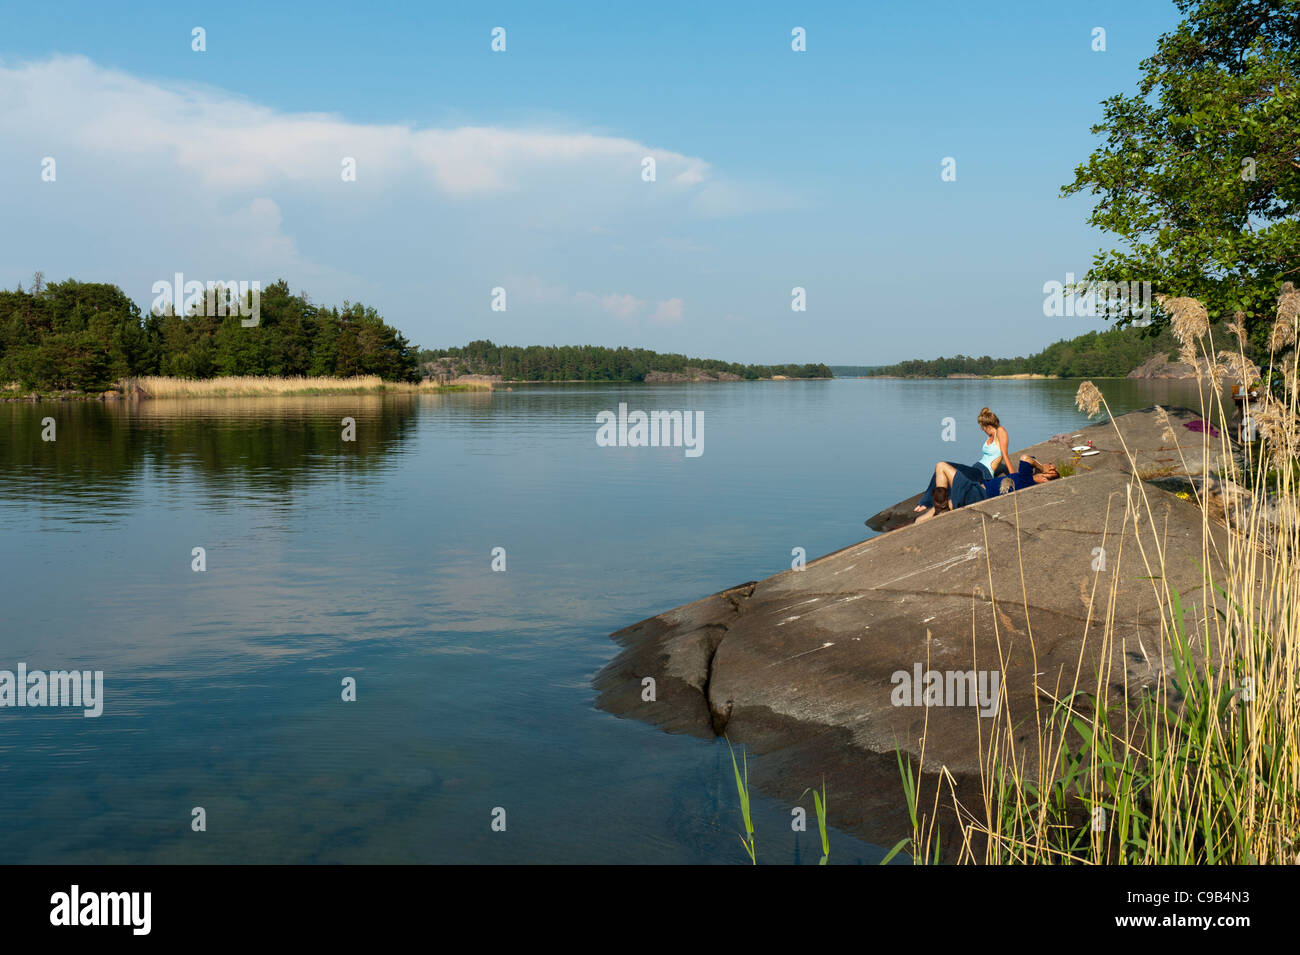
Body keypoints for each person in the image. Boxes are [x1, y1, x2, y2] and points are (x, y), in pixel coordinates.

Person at [914, 407, 1011, 514]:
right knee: (942, 471)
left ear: (987, 426)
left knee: (942, 465)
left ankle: (927, 503)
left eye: (982, 427)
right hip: (976, 469)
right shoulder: (990, 436)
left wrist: (1014, 477)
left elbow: (1005, 455)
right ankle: (930, 503)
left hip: (983, 474)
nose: (982, 430)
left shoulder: (1000, 431)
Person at [914, 454, 1060, 524]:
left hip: (976, 493)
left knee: (941, 466)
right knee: (932, 513)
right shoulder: (1027, 480)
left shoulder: (1026, 478)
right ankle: (918, 523)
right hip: (976, 493)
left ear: (1044, 479)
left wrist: (1042, 467)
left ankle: (940, 510)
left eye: (1048, 472)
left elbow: (1025, 458)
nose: (1045, 469)